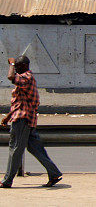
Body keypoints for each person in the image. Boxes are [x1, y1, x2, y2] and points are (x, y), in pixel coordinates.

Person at [1, 55, 62, 188]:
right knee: (36, 149)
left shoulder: (27, 77)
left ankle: (7, 180)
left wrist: (11, 64)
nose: (15, 69)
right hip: (26, 119)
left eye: (17, 66)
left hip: (23, 119)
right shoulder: (27, 79)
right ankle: (54, 173)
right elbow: (20, 102)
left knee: (15, 149)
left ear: (23, 66)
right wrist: (8, 116)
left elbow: (11, 77)